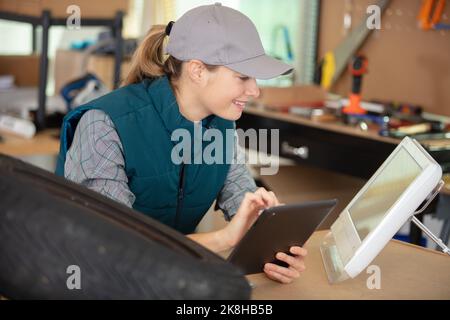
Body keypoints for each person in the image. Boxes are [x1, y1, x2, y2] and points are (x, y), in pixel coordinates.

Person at [56, 3, 307, 284]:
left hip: (169, 279)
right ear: (197, 71)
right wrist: (224, 238)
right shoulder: (104, 124)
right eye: (242, 77)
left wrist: (273, 247)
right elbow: (114, 246)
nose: (255, 90)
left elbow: (243, 201)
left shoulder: (220, 124)